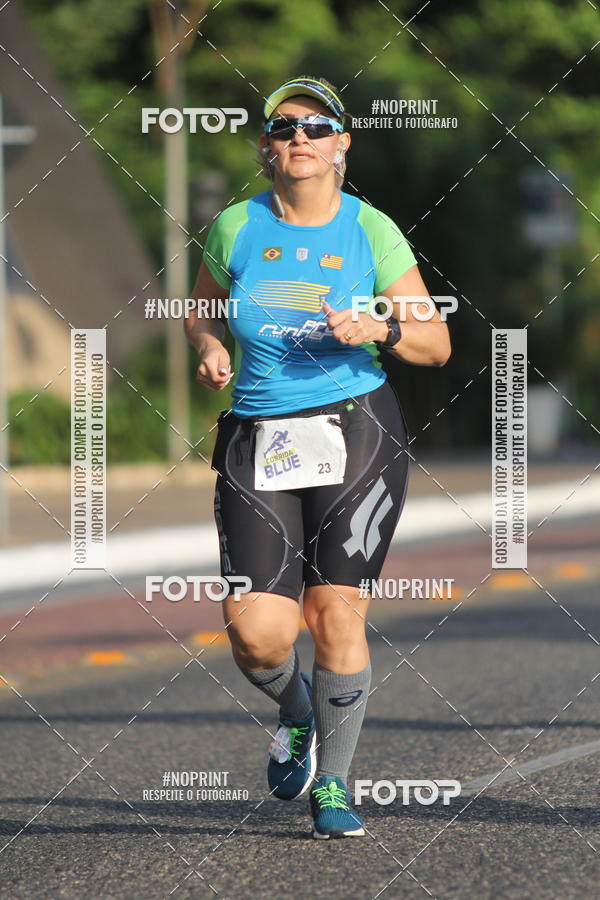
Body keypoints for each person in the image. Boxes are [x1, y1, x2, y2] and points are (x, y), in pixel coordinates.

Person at [185, 75, 451, 839]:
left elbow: (435, 343)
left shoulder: (371, 229)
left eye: (316, 126)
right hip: (258, 435)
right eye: (284, 127)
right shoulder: (235, 225)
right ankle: (297, 710)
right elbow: (201, 311)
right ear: (267, 148)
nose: (299, 137)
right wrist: (208, 346)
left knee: (334, 610)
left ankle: (332, 783)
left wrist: (379, 329)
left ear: (342, 144)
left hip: (356, 430)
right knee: (257, 634)